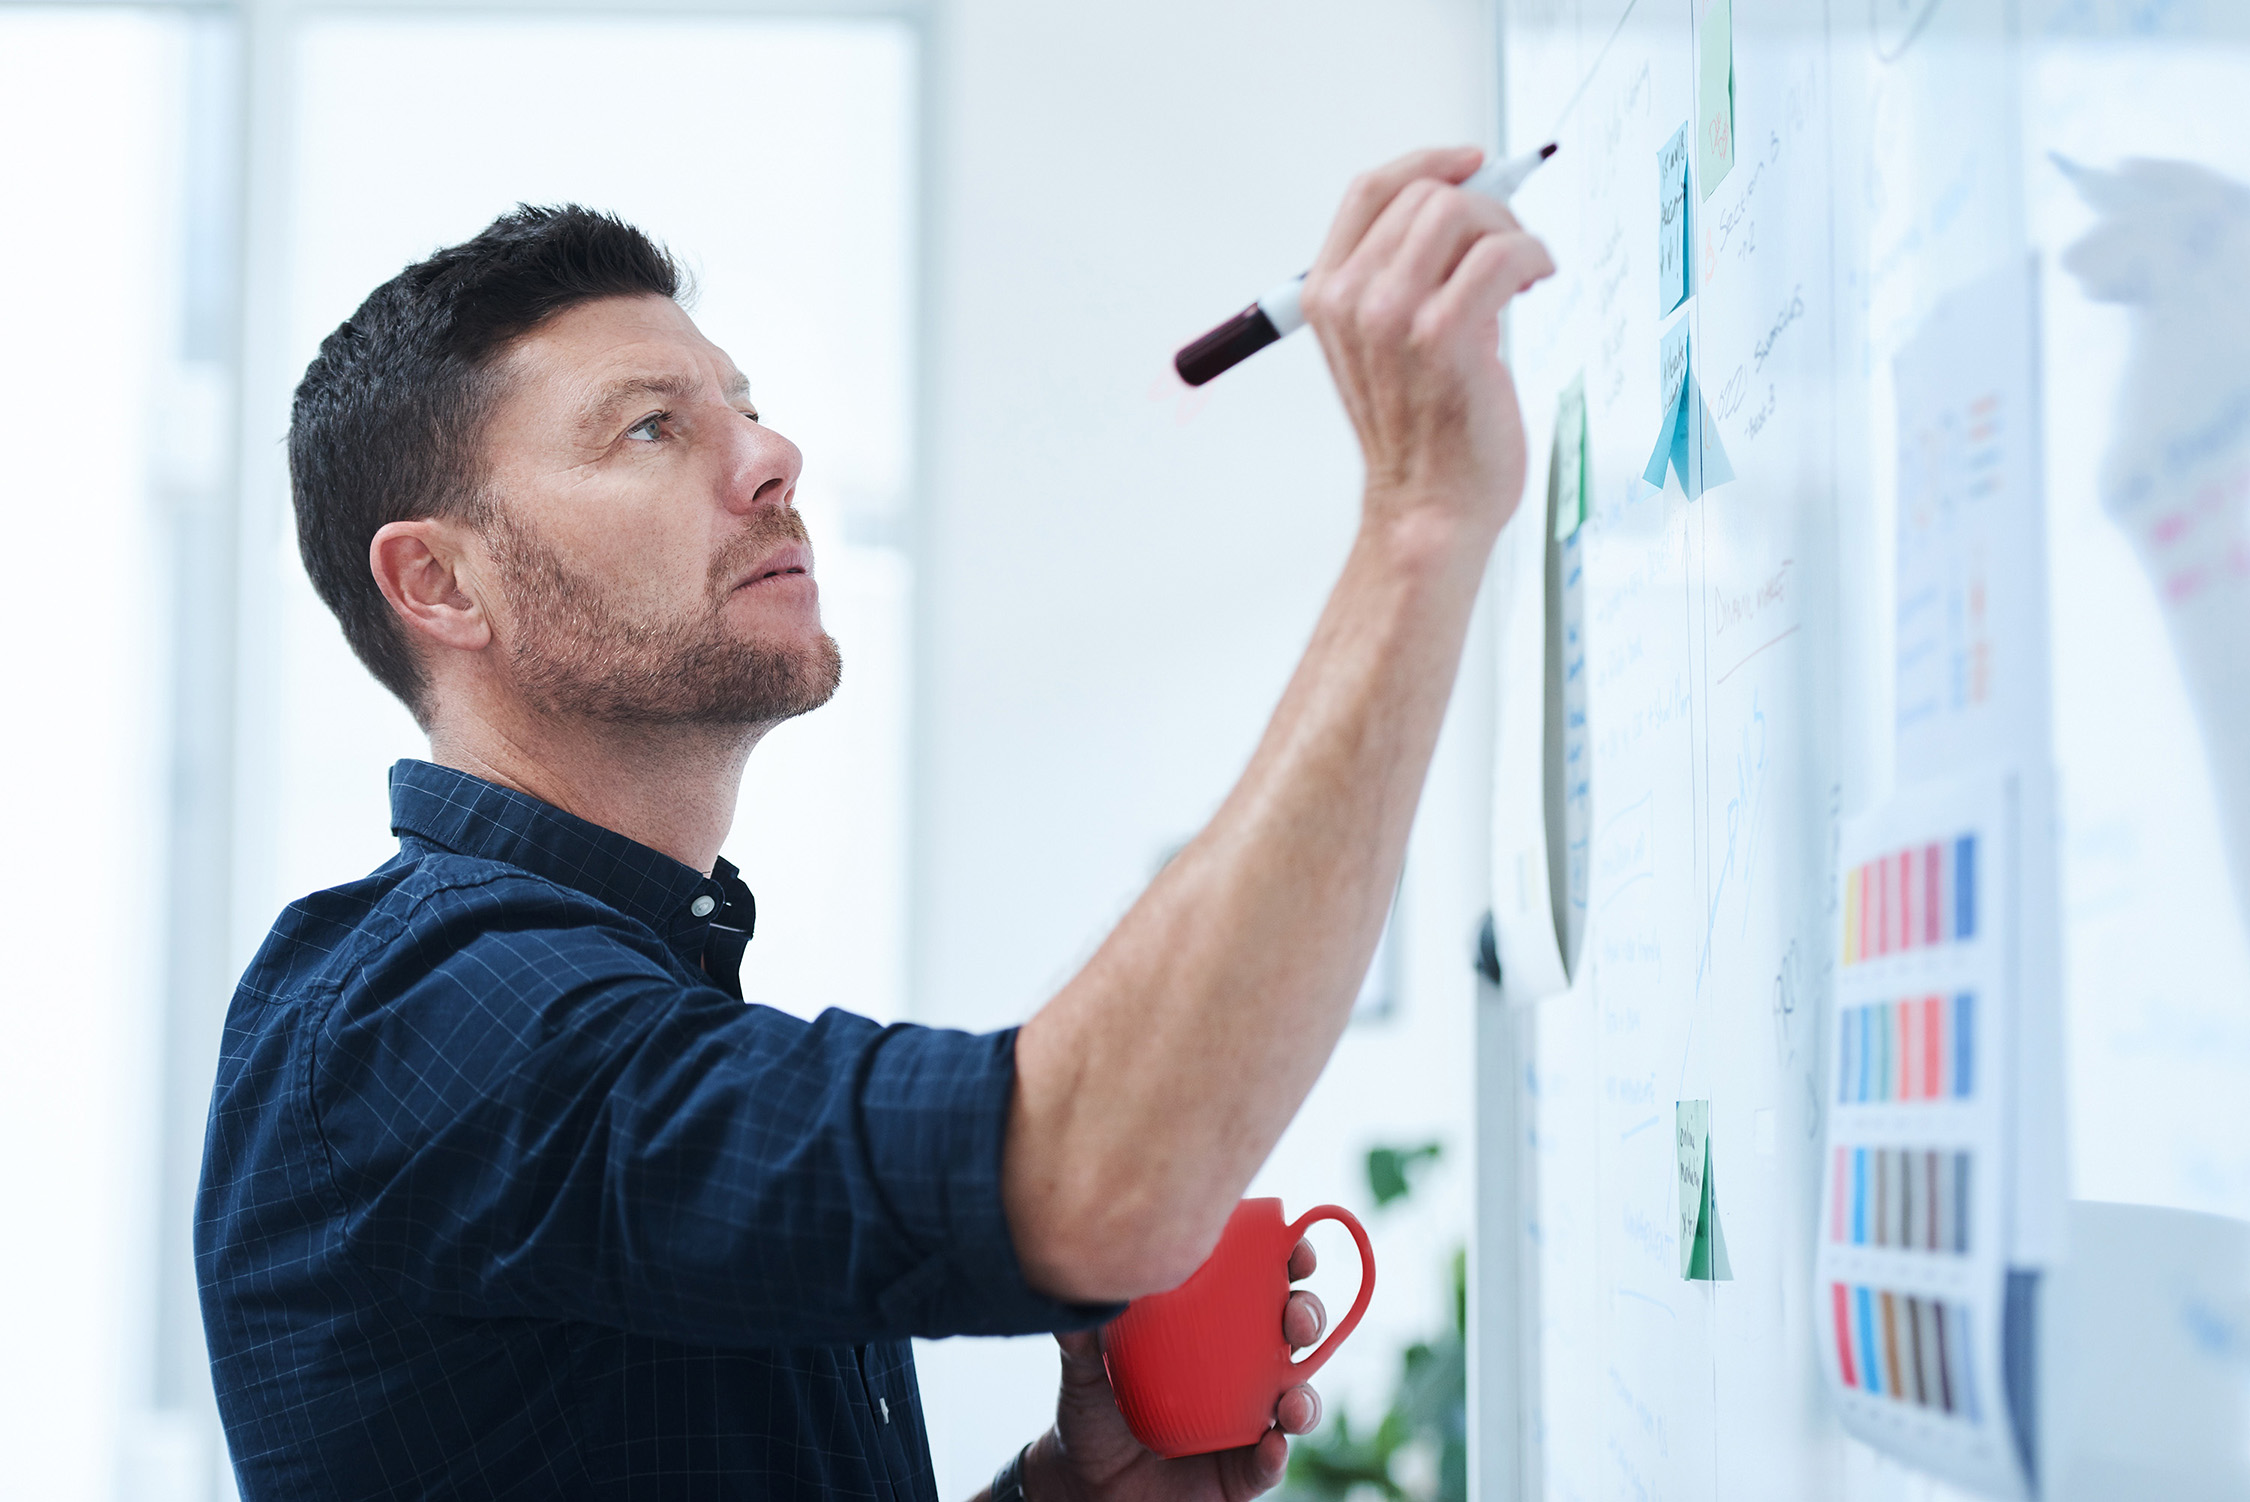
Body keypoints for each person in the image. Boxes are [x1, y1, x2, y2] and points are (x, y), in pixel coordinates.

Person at [195, 144, 1553, 1501]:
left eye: (745, 408)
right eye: (649, 427)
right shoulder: (425, 1014)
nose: (772, 456)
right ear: (439, 580)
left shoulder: (614, 986)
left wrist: (1064, 1497)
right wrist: (1420, 521)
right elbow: (1094, 1176)